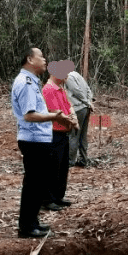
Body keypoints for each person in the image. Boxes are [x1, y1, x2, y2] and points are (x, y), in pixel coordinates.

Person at [12, 47, 69, 238]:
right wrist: (56, 117)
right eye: (41, 57)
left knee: (37, 184)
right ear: (30, 59)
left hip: (39, 139)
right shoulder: (27, 83)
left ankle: (32, 222)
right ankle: (27, 227)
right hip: (34, 140)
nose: (45, 60)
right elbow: (29, 116)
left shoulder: (31, 81)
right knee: (33, 184)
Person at [43, 61, 78, 210]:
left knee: (62, 166)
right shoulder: (49, 90)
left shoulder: (60, 89)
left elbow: (68, 105)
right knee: (52, 167)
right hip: (53, 133)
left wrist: (73, 116)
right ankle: (48, 199)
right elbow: (54, 111)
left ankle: (58, 196)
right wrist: (71, 120)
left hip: (63, 132)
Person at [64, 63, 95, 167]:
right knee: (82, 135)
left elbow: (77, 91)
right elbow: (88, 89)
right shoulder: (78, 75)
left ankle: (70, 161)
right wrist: (89, 102)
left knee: (73, 135)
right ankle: (83, 160)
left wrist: (87, 102)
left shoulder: (68, 77)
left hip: (78, 108)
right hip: (85, 108)